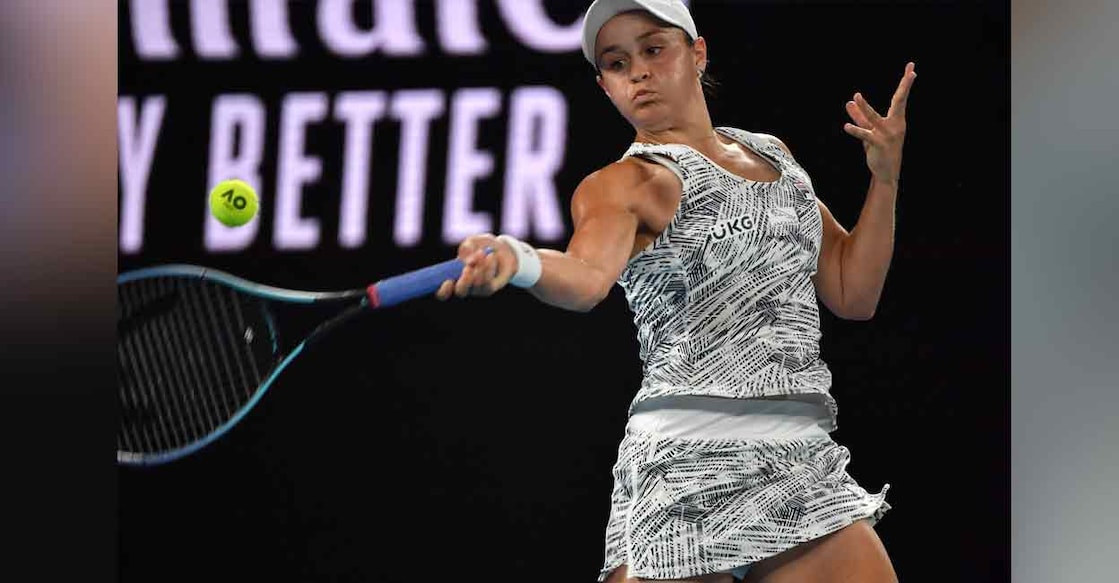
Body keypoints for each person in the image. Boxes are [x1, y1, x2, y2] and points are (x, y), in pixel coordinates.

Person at [435, 0, 916, 581]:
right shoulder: (626, 184)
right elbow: (586, 279)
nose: (637, 71)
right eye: (616, 63)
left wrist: (884, 178)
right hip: (686, 464)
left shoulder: (775, 157)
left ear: (697, 53)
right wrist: (519, 260)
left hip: (801, 460)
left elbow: (851, 292)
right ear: (605, 86)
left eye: (653, 49)